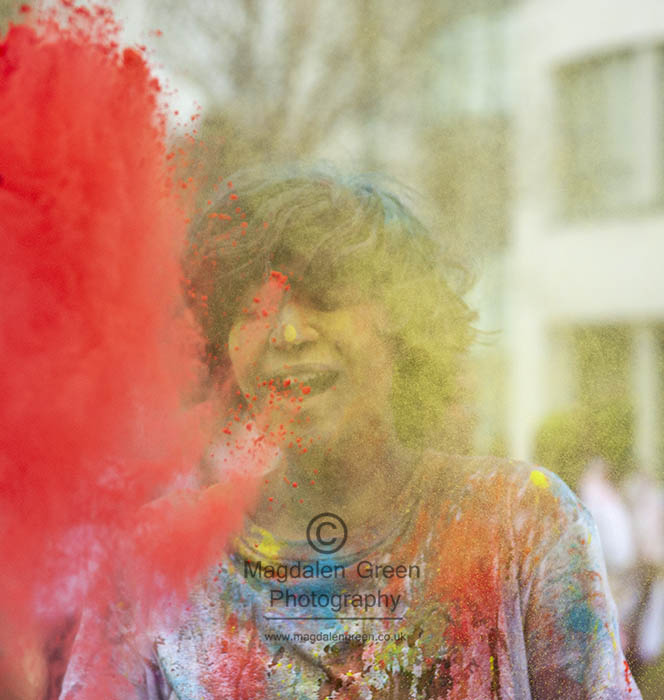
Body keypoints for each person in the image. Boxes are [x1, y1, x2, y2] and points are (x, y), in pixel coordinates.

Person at [60, 165, 640, 699]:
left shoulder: (518, 524)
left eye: (323, 298)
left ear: (402, 323)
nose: (285, 332)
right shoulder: (156, 559)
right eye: (251, 307)